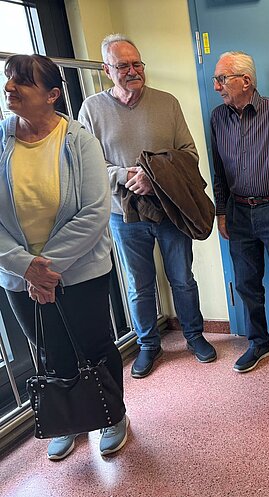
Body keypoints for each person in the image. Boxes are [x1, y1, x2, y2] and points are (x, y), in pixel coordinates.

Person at [0, 54, 128, 460]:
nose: (9, 87)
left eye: (22, 81)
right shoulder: (1, 140)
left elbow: (94, 212)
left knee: (95, 346)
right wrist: (25, 267)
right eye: (8, 79)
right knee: (49, 349)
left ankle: (112, 415)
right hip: (19, 275)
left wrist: (46, 268)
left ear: (52, 94)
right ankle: (67, 419)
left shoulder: (78, 140)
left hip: (81, 272)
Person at [78, 34, 216, 379]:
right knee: (138, 285)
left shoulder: (167, 103)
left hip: (170, 208)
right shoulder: (91, 109)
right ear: (107, 70)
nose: (133, 71)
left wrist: (155, 178)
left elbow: (189, 154)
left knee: (182, 278)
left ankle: (194, 336)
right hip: (123, 214)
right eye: (123, 66)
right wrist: (126, 175)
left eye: (137, 63)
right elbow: (87, 165)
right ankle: (148, 345)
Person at [210, 51, 269, 375]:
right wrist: (221, 211)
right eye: (216, 79)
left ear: (246, 81)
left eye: (222, 79)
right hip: (238, 213)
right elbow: (219, 171)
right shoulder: (217, 118)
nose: (216, 87)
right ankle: (258, 342)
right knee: (246, 283)